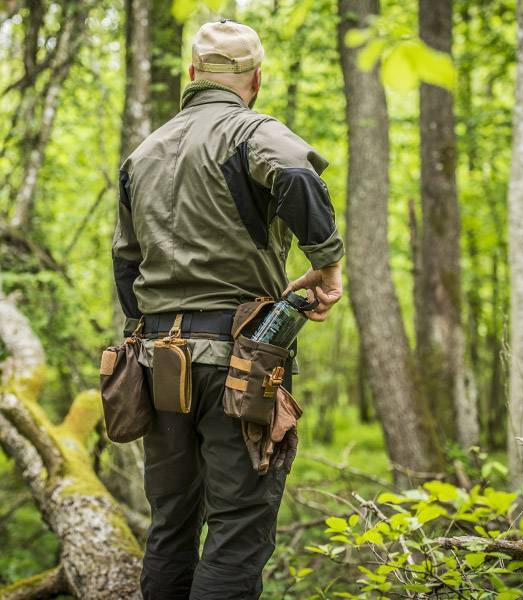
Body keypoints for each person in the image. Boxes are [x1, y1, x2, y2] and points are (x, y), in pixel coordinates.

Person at [112, 18, 344, 600]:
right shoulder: (250, 131)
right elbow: (295, 173)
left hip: (156, 365)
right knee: (237, 527)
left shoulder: (143, 153)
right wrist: (327, 263)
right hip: (240, 362)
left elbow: (125, 262)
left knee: (169, 527)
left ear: (192, 74)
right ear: (255, 79)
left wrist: (145, 333)